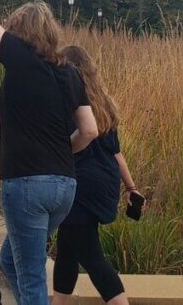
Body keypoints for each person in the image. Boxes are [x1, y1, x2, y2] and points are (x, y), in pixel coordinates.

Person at [0, 0, 97, 305]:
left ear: (20, 32)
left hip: (27, 183)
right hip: (64, 186)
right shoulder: (68, 71)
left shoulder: (20, 57)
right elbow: (89, 129)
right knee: (11, 258)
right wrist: (62, 152)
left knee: (30, 280)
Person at [53, 45, 143, 305]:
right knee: (68, 250)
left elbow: (71, 141)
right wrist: (130, 187)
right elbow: (116, 153)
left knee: (92, 256)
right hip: (104, 182)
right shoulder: (102, 103)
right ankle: (59, 301)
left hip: (80, 185)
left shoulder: (69, 102)